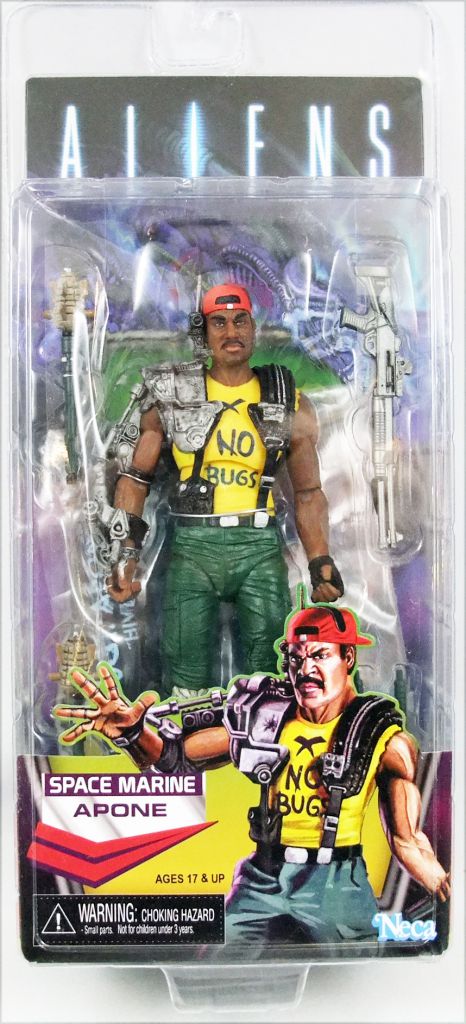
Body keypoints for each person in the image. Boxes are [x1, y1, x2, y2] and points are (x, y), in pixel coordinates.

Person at [55, 600, 450, 948]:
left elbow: (407, 836)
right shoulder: (265, 719)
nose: (305, 670)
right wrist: (132, 734)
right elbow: (174, 760)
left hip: (335, 882)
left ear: (348, 658)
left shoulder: (380, 736)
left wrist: (438, 879)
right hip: (262, 877)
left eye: (320, 656)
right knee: (213, 952)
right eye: (296, 659)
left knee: (361, 967)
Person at [105, 283, 343, 696]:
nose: (231, 332)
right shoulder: (171, 397)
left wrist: (320, 559)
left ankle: (265, 733)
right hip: (193, 546)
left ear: (253, 327)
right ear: (204, 331)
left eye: (239, 321)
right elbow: (135, 478)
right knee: (184, 671)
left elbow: (308, 491)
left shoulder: (287, 399)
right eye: (219, 322)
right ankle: (186, 735)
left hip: (259, 546)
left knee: (272, 671)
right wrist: (125, 556)